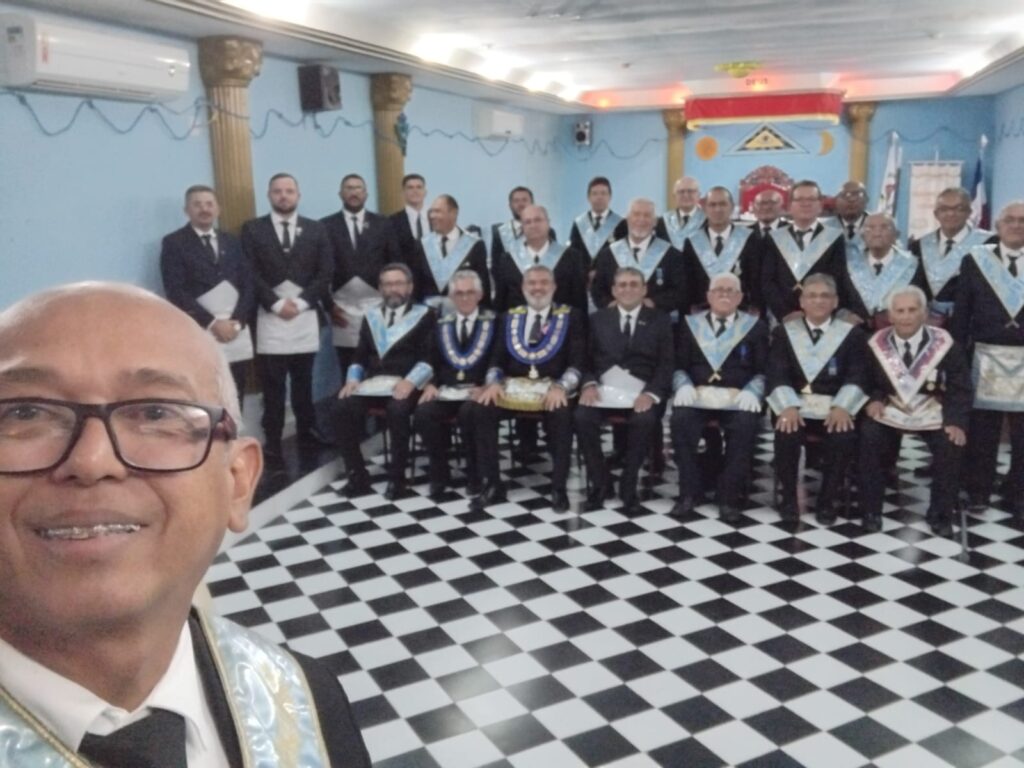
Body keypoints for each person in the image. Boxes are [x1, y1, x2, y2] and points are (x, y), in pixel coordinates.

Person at [0, 282, 369, 766]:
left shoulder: (305, 702)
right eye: (25, 412)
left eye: (156, 412)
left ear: (238, 483)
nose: (92, 461)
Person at [470, 265, 585, 513]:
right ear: (523, 288)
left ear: (554, 287)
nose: (538, 288)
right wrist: (493, 383)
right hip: (512, 389)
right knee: (480, 409)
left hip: (553, 388)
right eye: (532, 283)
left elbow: (578, 362)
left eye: (544, 282)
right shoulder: (508, 317)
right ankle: (492, 484)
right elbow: (496, 360)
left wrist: (561, 387)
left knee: (562, 412)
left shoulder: (571, 316)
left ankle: (559, 488)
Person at [860, 286, 970, 534]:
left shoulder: (944, 343)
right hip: (891, 407)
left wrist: (955, 420)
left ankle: (940, 513)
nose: (906, 316)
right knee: (869, 435)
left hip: (932, 409)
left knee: (951, 442)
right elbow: (866, 380)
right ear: (890, 315)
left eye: (912, 310)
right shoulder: (876, 343)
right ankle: (871, 510)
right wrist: (874, 400)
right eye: (900, 311)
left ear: (924, 313)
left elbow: (960, 387)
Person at [241, 173, 333, 458]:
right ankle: (273, 438)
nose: (284, 196)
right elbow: (248, 271)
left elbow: (326, 271)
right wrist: (276, 304)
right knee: (273, 385)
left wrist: (303, 302)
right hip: (270, 316)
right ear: (269, 195)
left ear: (298, 195)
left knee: (304, 381)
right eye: (278, 191)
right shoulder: (253, 229)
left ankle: (307, 430)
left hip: (304, 316)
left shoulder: (316, 229)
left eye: (289, 191)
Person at [766, 273, 868, 523]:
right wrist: (787, 407)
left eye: (825, 296)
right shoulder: (783, 333)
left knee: (842, 435)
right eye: (812, 296)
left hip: (834, 407)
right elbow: (776, 373)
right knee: (786, 432)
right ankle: (789, 499)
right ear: (802, 302)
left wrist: (843, 407)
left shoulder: (852, 335)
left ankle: (827, 500)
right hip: (795, 406)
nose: (818, 301)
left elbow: (858, 375)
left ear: (835, 302)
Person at [331, 263, 436, 500]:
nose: (393, 289)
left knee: (397, 410)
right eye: (387, 284)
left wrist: (410, 382)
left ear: (409, 287)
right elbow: (359, 355)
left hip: (408, 383)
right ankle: (357, 475)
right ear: (380, 289)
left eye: (398, 283)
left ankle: (397, 479)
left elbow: (429, 357)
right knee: (340, 408)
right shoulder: (371, 317)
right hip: (375, 384)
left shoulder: (425, 315)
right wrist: (353, 380)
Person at [670, 273, 769, 522]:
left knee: (745, 426)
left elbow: (763, 370)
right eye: (718, 290)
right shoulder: (689, 325)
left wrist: (753, 390)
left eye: (730, 290)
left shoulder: (756, 327)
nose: (724, 294)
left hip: (738, 398)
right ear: (708, 296)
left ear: (740, 297)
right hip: (698, 396)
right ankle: (689, 493)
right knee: (680, 420)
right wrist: (683, 385)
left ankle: (728, 497)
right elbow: (678, 365)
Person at [574, 267, 673, 513]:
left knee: (644, 420)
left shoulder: (660, 320)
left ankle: (629, 484)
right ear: (614, 291)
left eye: (633, 284)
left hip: (642, 394)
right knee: (582, 417)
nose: (628, 289)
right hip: (603, 392)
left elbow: (667, 364)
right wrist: (588, 385)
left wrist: (650, 394)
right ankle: (601, 483)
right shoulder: (597, 319)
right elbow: (584, 360)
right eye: (622, 285)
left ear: (644, 290)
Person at [951, 201, 1024, 519]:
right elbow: (962, 310)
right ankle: (978, 489)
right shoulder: (976, 260)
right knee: (983, 429)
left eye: (1023, 220)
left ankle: (1017, 492)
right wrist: (956, 357)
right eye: (1010, 220)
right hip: (985, 357)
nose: (1017, 225)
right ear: (998, 225)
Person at [160, 184, 254, 411]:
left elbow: (248, 283)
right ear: (187, 210)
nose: (204, 209)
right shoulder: (174, 243)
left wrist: (237, 321)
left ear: (218, 209)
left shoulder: (232, 241)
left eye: (209, 204)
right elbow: (175, 290)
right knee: (207, 393)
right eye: (197, 204)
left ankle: (236, 430)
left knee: (236, 389)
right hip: (200, 328)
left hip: (234, 329)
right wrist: (212, 323)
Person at [414, 271, 499, 497]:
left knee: (469, 412)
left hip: (479, 390)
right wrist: (431, 384)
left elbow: (498, 359)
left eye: (470, 292)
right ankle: (440, 472)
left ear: (480, 295)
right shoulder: (441, 324)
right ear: (451, 297)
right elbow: (430, 358)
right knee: (423, 413)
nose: (465, 298)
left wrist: (489, 384)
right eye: (459, 293)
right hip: (448, 391)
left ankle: (475, 474)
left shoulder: (493, 322)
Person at [321, 173, 400, 375]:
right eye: (349, 188)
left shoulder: (383, 223)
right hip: (342, 308)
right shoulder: (325, 226)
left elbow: (395, 264)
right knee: (348, 367)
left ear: (366, 194)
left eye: (358, 188)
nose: (354, 192)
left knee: (379, 362)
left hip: (378, 305)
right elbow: (320, 269)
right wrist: (329, 305)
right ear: (340, 194)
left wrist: (392, 301)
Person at [762, 179, 846, 323]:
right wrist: (784, 313)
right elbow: (768, 281)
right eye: (799, 199)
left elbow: (837, 278)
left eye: (811, 199)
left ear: (820, 205)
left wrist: (817, 313)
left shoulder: (834, 237)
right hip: (783, 316)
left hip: (820, 315)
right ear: (790, 206)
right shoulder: (774, 237)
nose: (805, 204)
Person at [591, 197, 688, 317]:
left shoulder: (671, 255)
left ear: (655, 222)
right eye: (636, 214)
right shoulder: (607, 254)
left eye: (647, 215)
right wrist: (609, 304)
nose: (641, 219)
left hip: (656, 321)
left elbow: (680, 292)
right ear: (627, 219)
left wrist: (654, 302)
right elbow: (597, 290)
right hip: (615, 321)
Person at [909, 187, 993, 321]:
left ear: (969, 212)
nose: (951, 214)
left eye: (958, 208)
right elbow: (915, 286)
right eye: (944, 209)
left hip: (971, 320)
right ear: (936, 214)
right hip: (926, 321)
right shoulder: (918, 246)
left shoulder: (989, 243)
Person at [836, 213, 927, 328]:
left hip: (898, 330)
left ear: (896, 235)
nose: (877, 233)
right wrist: (845, 315)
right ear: (862, 236)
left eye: (884, 227)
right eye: (870, 228)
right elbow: (838, 299)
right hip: (856, 331)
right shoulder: (849, 264)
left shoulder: (913, 265)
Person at [681, 186, 762, 312]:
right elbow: (688, 282)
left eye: (723, 204)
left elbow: (756, 279)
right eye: (712, 205)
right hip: (702, 311)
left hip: (741, 310)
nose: (718, 209)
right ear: (704, 208)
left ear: (732, 207)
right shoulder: (692, 241)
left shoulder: (749, 238)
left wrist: (755, 306)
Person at [493, 204, 588, 313]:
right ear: (522, 227)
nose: (533, 225)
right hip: (518, 321)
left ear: (548, 223)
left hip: (562, 320)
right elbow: (500, 302)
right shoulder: (507, 260)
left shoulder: (571, 257)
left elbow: (579, 300)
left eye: (537, 220)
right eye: (527, 222)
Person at [408, 194, 490, 311]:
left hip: (463, 312)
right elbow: (415, 286)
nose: (432, 216)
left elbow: (483, 286)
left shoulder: (474, 244)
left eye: (437, 211)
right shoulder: (421, 245)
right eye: (431, 212)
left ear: (453, 213)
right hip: (429, 313)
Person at [490, 186, 557, 267]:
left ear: (532, 203)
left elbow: (554, 261)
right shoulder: (500, 233)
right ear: (510, 205)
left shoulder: (548, 231)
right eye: (516, 201)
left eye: (524, 200)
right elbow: (496, 266)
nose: (520, 204)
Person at [569, 176, 625, 267]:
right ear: (588, 197)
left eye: (603, 193)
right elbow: (573, 255)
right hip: (583, 274)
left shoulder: (621, 224)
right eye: (595, 194)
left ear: (610, 197)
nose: (599, 197)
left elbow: (622, 255)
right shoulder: (579, 223)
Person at [656, 176, 706, 251]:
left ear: (698, 195)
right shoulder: (661, 223)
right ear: (674, 196)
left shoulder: (709, 221)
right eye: (681, 192)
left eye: (690, 191)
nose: (686, 195)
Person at [388, 172, 430, 262]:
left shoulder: (438, 218)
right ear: (403, 192)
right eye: (410, 187)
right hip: (405, 269)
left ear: (425, 192)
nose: (415, 191)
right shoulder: (392, 222)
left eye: (419, 187)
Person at [828, 180, 869, 249]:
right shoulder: (823, 229)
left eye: (857, 195)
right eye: (844, 195)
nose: (851, 199)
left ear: (867, 200)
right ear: (836, 201)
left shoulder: (881, 226)